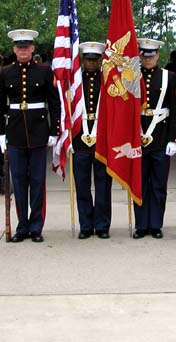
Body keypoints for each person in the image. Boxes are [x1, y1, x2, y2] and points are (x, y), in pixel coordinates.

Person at [0, 29, 60, 243]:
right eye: (19, 47)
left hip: (38, 132)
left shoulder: (44, 71)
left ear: (32, 48)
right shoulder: (5, 73)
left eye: (26, 47)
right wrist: (0, 133)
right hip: (15, 133)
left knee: (38, 181)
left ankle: (36, 226)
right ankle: (22, 226)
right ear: (14, 49)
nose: (23, 50)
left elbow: (54, 103)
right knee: (19, 182)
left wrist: (54, 131)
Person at [133, 38, 176, 240]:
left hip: (160, 136)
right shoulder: (132, 77)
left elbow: (175, 109)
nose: (147, 60)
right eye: (144, 56)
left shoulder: (170, 77)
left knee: (159, 185)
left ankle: (156, 224)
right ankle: (141, 225)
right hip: (138, 136)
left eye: (151, 56)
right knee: (139, 184)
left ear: (158, 55)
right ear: (140, 56)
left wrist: (173, 138)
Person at [72, 42, 112, 240]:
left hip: (102, 140)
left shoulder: (107, 81)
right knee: (82, 185)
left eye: (95, 60)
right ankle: (86, 225)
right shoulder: (75, 81)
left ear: (100, 60)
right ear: (83, 60)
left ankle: (102, 225)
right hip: (80, 139)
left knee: (103, 186)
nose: (91, 63)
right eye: (88, 59)